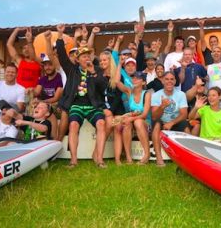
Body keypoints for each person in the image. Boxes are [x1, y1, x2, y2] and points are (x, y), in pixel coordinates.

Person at [55, 24, 108, 168]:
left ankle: (100, 159)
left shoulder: (97, 70)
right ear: (77, 60)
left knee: (101, 124)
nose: (86, 58)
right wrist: (60, 35)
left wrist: (93, 73)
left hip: (93, 105)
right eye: (83, 56)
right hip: (77, 105)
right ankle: (73, 160)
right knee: (73, 125)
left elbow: (104, 87)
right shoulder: (72, 70)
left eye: (88, 56)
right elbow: (61, 54)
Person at [151, 72, 190, 166]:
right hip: (161, 120)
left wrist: (172, 123)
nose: (169, 81)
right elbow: (154, 116)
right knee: (156, 126)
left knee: (186, 129)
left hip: (175, 121)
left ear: (175, 81)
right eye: (167, 79)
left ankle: (187, 158)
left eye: (172, 79)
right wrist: (162, 106)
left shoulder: (181, 94)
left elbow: (184, 114)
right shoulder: (156, 95)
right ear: (163, 81)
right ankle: (159, 159)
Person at [117, 71, 152, 165]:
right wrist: (120, 63)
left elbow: (144, 115)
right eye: (134, 78)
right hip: (133, 120)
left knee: (138, 122)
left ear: (144, 82)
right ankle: (128, 157)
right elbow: (117, 82)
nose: (135, 79)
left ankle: (147, 154)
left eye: (138, 78)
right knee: (126, 124)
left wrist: (131, 118)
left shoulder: (147, 93)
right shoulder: (129, 92)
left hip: (146, 122)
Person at [99, 50, 127, 164]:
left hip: (117, 107)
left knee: (118, 127)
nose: (102, 62)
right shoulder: (98, 76)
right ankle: (97, 153)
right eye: (100, 60)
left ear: (110, 61)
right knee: (110, 124)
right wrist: (106, 110)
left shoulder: (118, 75)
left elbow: (118, 95)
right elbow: (98, 96)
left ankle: (117, 159)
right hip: (104, 108)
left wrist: (111, 110)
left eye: (104, 60)